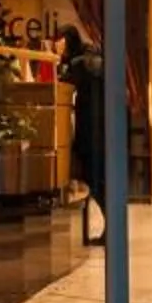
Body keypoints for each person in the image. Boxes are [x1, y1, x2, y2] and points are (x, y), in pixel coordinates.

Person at [58, 25, 106, 246]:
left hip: (90, 128)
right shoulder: (88, 56)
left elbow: (65, 83)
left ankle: (109, 228)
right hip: (98, 126)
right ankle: (108, 228)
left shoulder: (78, 63)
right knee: (95, 179)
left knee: (93, 178)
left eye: (60, 40)